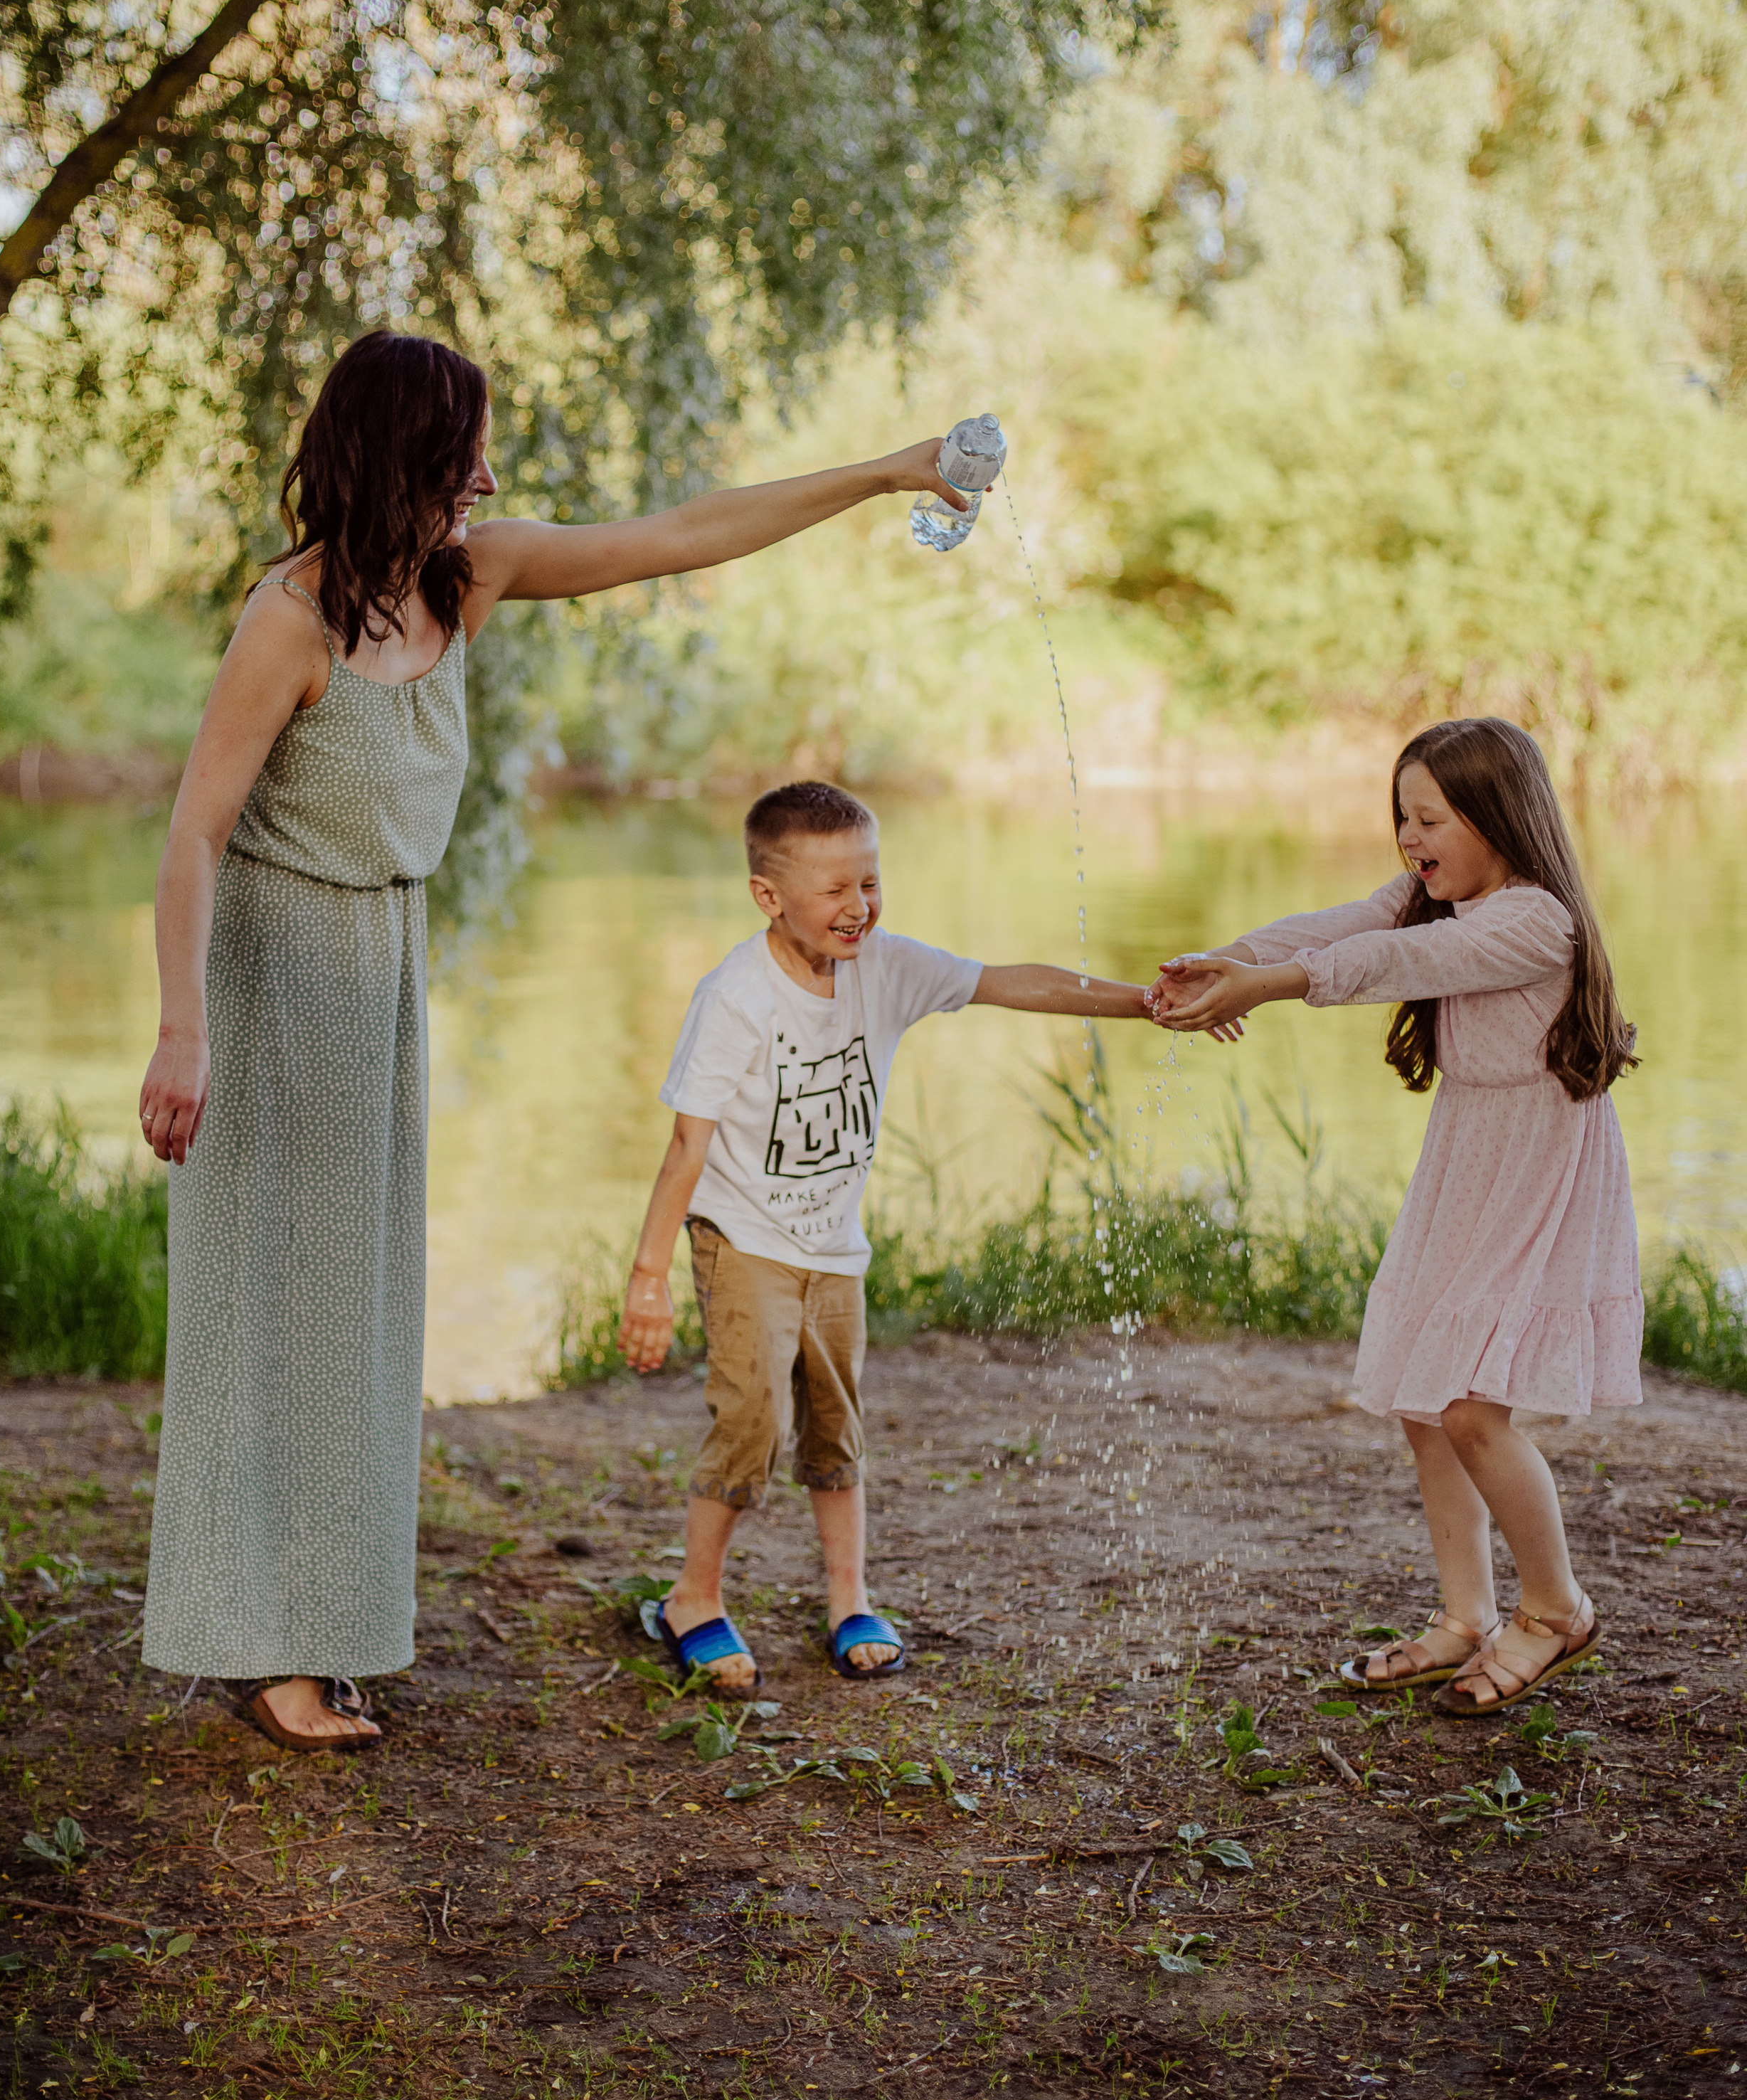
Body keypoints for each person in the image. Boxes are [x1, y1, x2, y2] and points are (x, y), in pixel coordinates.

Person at [136, 330, 976, 1752]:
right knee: (267, 1309)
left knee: (361, 1312)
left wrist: (889, 468)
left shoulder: (469, 578)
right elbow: (192, 836)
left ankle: (323, 1627)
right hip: (270, 981)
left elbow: (684, 533)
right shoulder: (287, 622)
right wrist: (180, 1029)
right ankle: (262, 1644)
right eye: (462, 447)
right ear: (398, 453)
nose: (484, 475)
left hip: (378, 970)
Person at [615, 778, 1159, 1687]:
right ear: (769, 896)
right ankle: (694, 1600)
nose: (858, 907)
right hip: (744, 1236)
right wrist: (647, 1278)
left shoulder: (887, 967)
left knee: (835, 1425)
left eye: (869, 882)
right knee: (752, 1418)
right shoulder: (736, 998)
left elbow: (1009, 982)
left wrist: (1141, 1000)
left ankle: (849, 1600)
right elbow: (685, 1146)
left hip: (834, 1246)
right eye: (834, 890)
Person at [1150, 716, 1639, 1717]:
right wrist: (1224, 957)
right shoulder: (1432, 898)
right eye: (1402, 819)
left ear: (1497, 817)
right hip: (1469, 1156)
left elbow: (1390, 967)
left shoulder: (1534, 921)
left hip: (1536, 1166)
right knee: (1426, 1401)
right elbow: (1345, 927)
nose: (1411, 841)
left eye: (1430, 819)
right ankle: (1466, 1617)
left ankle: (1555, 1610)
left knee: (1469, 1405)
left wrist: (1271, 987)